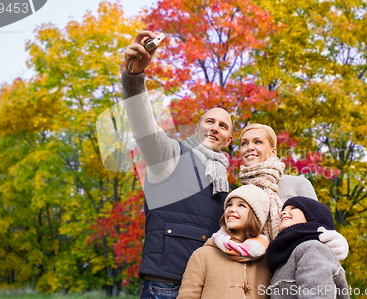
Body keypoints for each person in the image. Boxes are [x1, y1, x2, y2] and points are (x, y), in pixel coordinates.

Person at [123, 31, 233, 299]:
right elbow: (144, 127)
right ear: (197, 129)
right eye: (210, 121)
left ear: (229, 140)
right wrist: (134, 78)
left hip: (207, 289)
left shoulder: (227, 185)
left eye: (223, 125)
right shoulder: (171, 155)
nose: (215, 128)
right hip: (166, 287)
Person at [238, 123, 348, 258]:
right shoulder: (238, 195)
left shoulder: (297, 184)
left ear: (273, 152)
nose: (250, 147)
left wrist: (338, 243)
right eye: (244, 143)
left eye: (258, 142)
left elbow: (320, 227)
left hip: (293, 267)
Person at [177, 185, 272, 299]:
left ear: (256, 216)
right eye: (229, 204)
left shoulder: (267, 259)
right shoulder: (203, 255)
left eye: (241, 205)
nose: (231, 209)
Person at [265, 197, 350, 299]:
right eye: (283, 211)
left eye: (293, 208)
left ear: (313, 217)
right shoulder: (285, 259)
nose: (282, 213)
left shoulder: (312, 248)